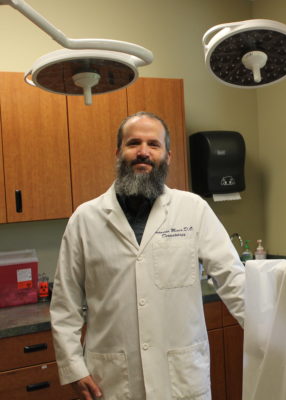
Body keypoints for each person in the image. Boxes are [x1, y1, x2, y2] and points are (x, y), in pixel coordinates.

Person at [50, 111, 245, 400]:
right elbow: (65, 302)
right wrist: (73, 367)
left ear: (168, 156)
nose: (143, 152)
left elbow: (233, 279)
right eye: (133, 143)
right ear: (118, 153)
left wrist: (270, 333)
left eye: (154, 144)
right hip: (113, 378)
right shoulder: (85, 219)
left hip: (180, 378)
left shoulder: (193, 209)